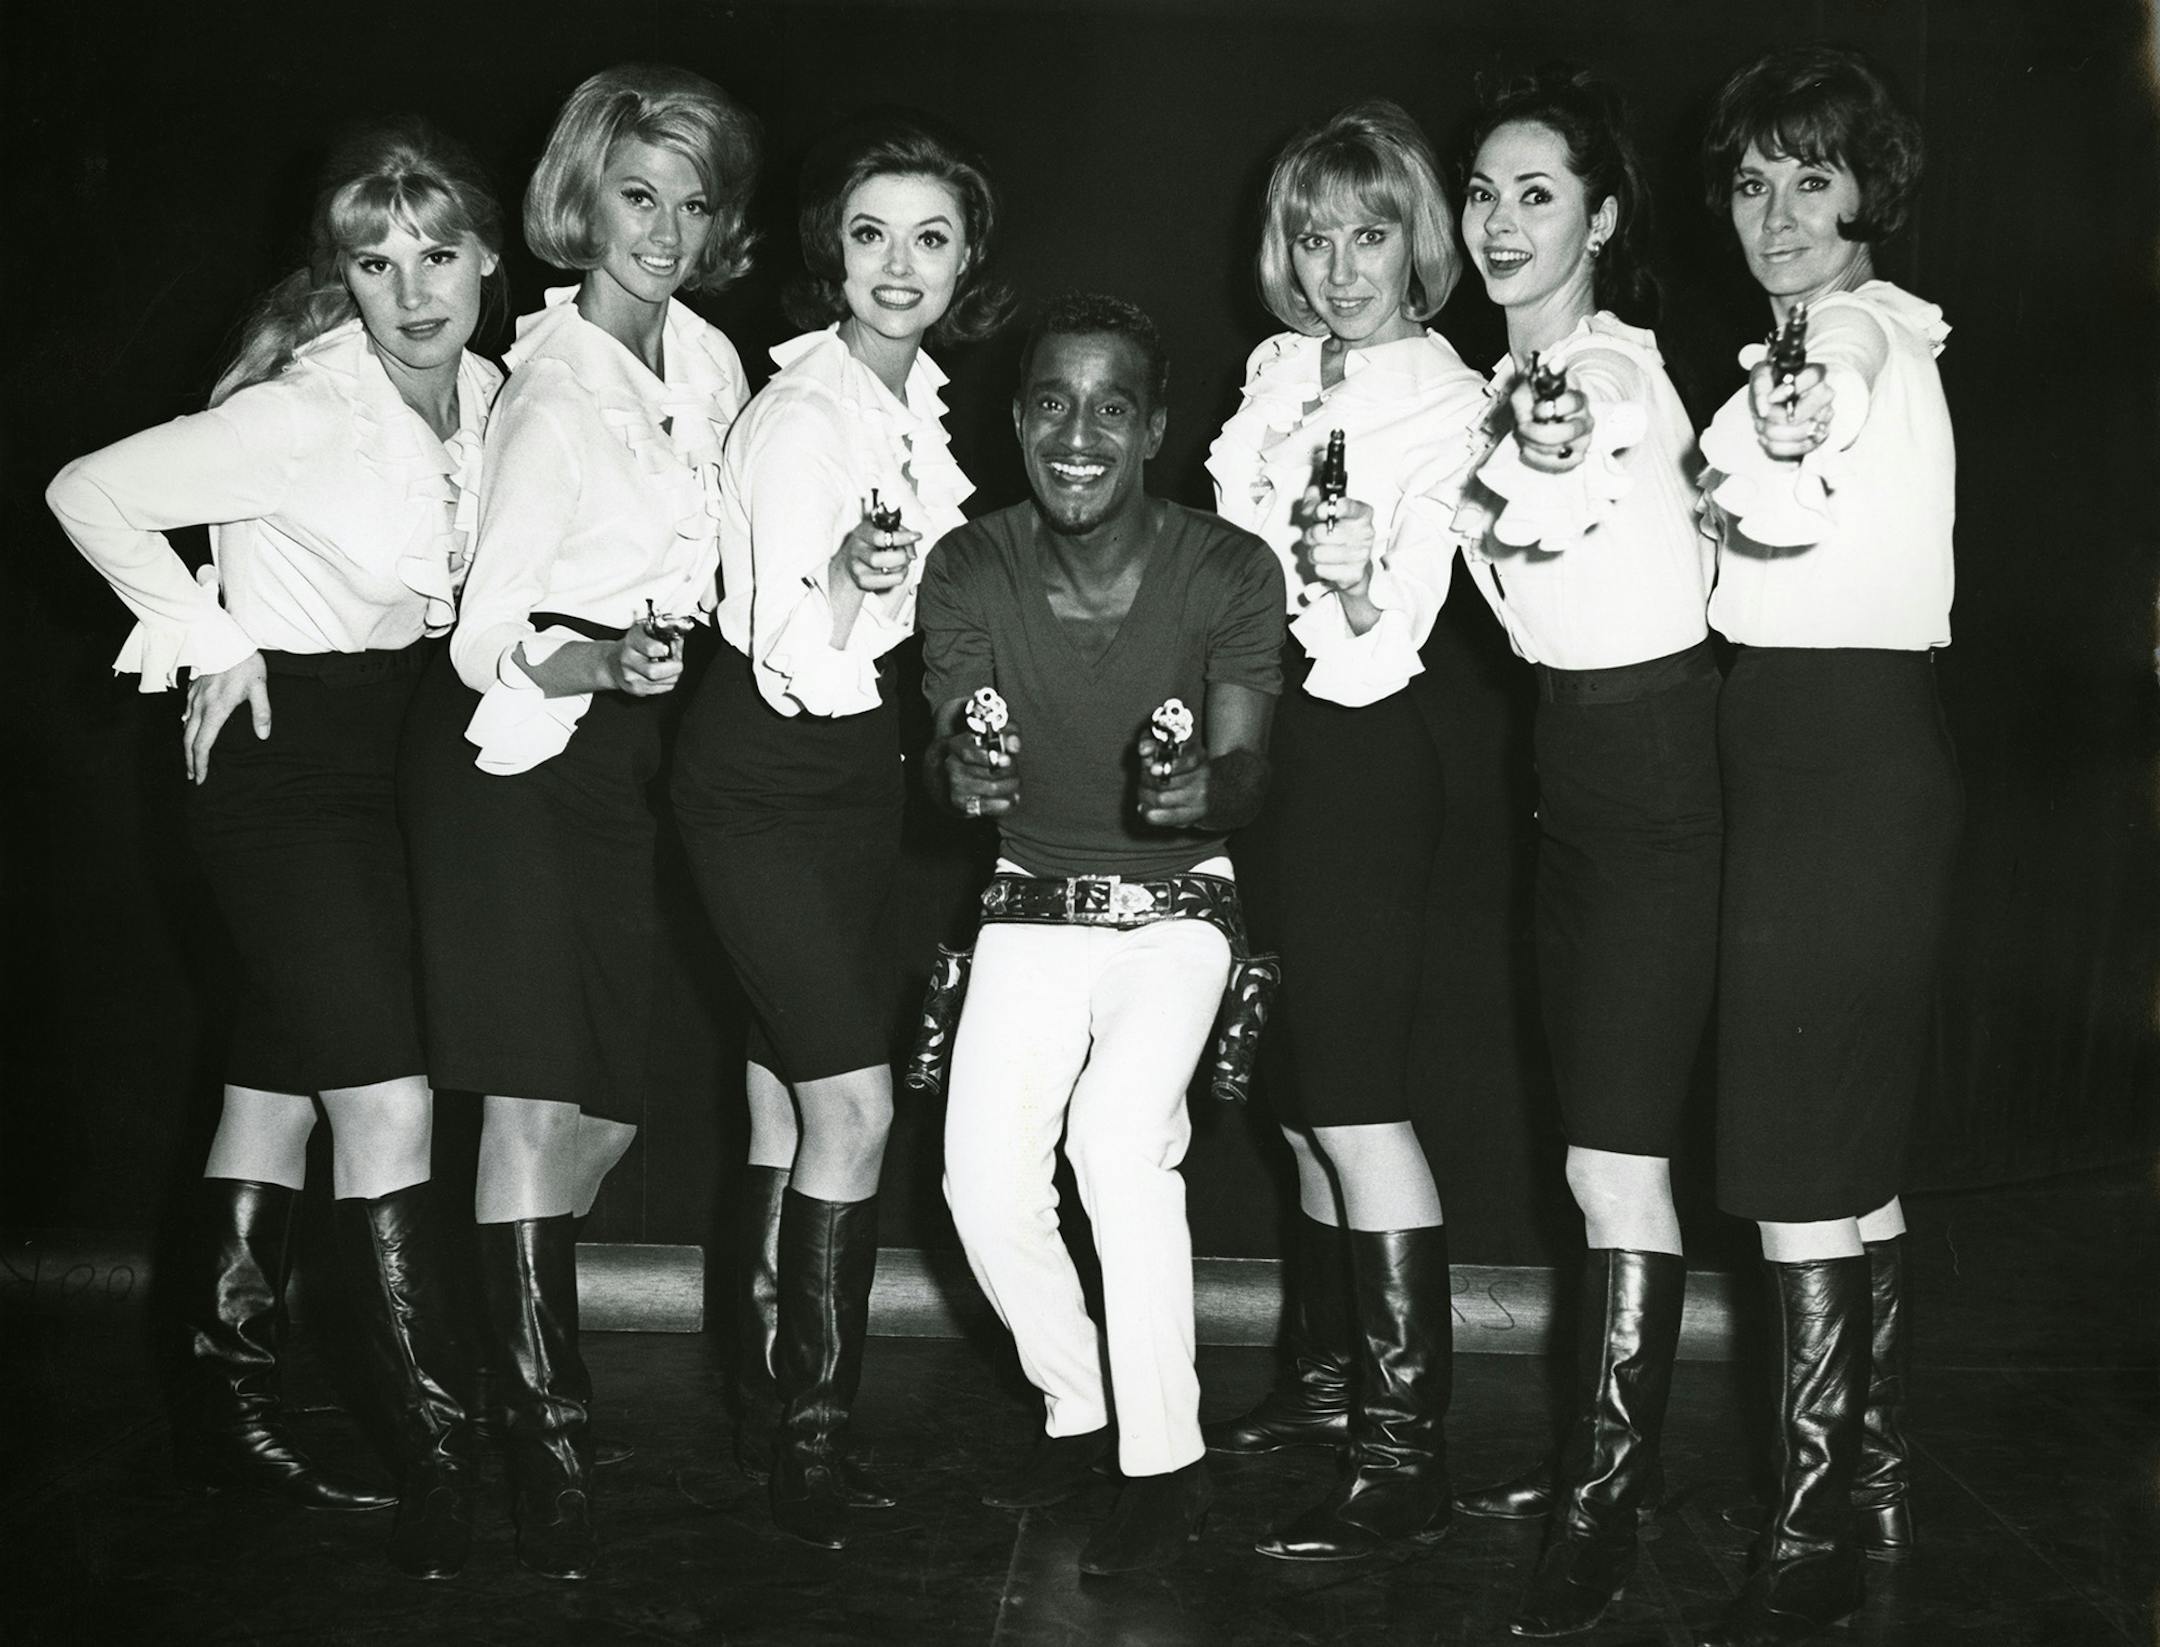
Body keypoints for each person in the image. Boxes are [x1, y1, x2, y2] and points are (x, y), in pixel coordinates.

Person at [46, 118, 506, 1577]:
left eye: (439, 254)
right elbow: (87, 491)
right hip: (280, 766)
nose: (413, 289)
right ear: (343, 278)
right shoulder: (308, 407)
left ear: (489, 257)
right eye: (376, 262)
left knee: (273, 1090)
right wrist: (204, 629)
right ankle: (447, 1457)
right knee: (386, 1099)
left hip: (394, 752)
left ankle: (220, 1417)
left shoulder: (490, 393)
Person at [398, 64, 758, 1580]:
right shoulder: (550, 388)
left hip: (637, 763)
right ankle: (545, 1439)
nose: (664, 229)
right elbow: (484, 641)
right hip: (517, 756)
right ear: (581, 201)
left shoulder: (712, 359)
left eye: (690, 200)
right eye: (636, 196)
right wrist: (602, 653)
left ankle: (498, 1369)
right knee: (537, 1103)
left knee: (608, 1106)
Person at [672, 114, 1010, 1550]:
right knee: (855, 1107)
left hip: (852, 781)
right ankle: (813, 1442)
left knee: (783, 1102)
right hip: (765, 769)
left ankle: (766, 1404)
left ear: (966, 263)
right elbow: (788, 642)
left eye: (930, 237)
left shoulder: (905, 406)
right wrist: (850, 579)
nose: (898, 262)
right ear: (833, 251)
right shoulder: (806, 411)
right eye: (871, 233)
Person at [923, 293, 1285, 1575]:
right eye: (1053, 406)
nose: (1080, 435)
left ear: (1156, 432)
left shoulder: (1231, 567)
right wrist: (961, 769)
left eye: (1112, 409)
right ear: (1018, 421)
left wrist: (1213, 793)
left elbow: (1244, 767)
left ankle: (1164, 1464)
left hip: (1179, 912)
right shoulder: (969, 564)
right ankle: (1083, 1408)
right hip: (1028, 900)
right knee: (980, 1182)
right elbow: (952, 749)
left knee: (1120, 1144)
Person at [1441, 72, 1721, 1637]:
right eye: (1483, 191)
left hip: (1652, 764)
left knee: (1615, 1158)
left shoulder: (1599, 373)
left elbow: (1562, 475)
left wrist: (1539, 447)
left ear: (1601, 218)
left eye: (1537, 192)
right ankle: (1605, 1465)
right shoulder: (1526, 374)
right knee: (1594, 1153)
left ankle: (1610, 1497)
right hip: (1579, 764)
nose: (1499, 220)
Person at [1690, 45, 1960, 1647]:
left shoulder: (1845, 339)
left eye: (1813, 176)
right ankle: (1870, 1484)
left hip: (1832, 755)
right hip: (1853, 754)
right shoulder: (1859, 334)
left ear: (1869, 190)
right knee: (1847, 1154)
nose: (1779, 211)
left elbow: (1814, 408)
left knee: (1798, 1144)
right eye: (1751, 179)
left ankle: (1806, 1535)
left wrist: (1783, 417)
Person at [1202, 100, 1488, 1561]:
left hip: (1366, 740)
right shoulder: (1276, 372)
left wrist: (1362, 580)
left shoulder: (1449, 402)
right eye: (1314, 234)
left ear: (1419, 241)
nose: (1339, 265)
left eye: (1371, 233)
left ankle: (1405, 1450)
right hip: (1272, 750)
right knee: (1304, 1090)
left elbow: (1389, 641)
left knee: (1362, 1095)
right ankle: (1325, 1383)